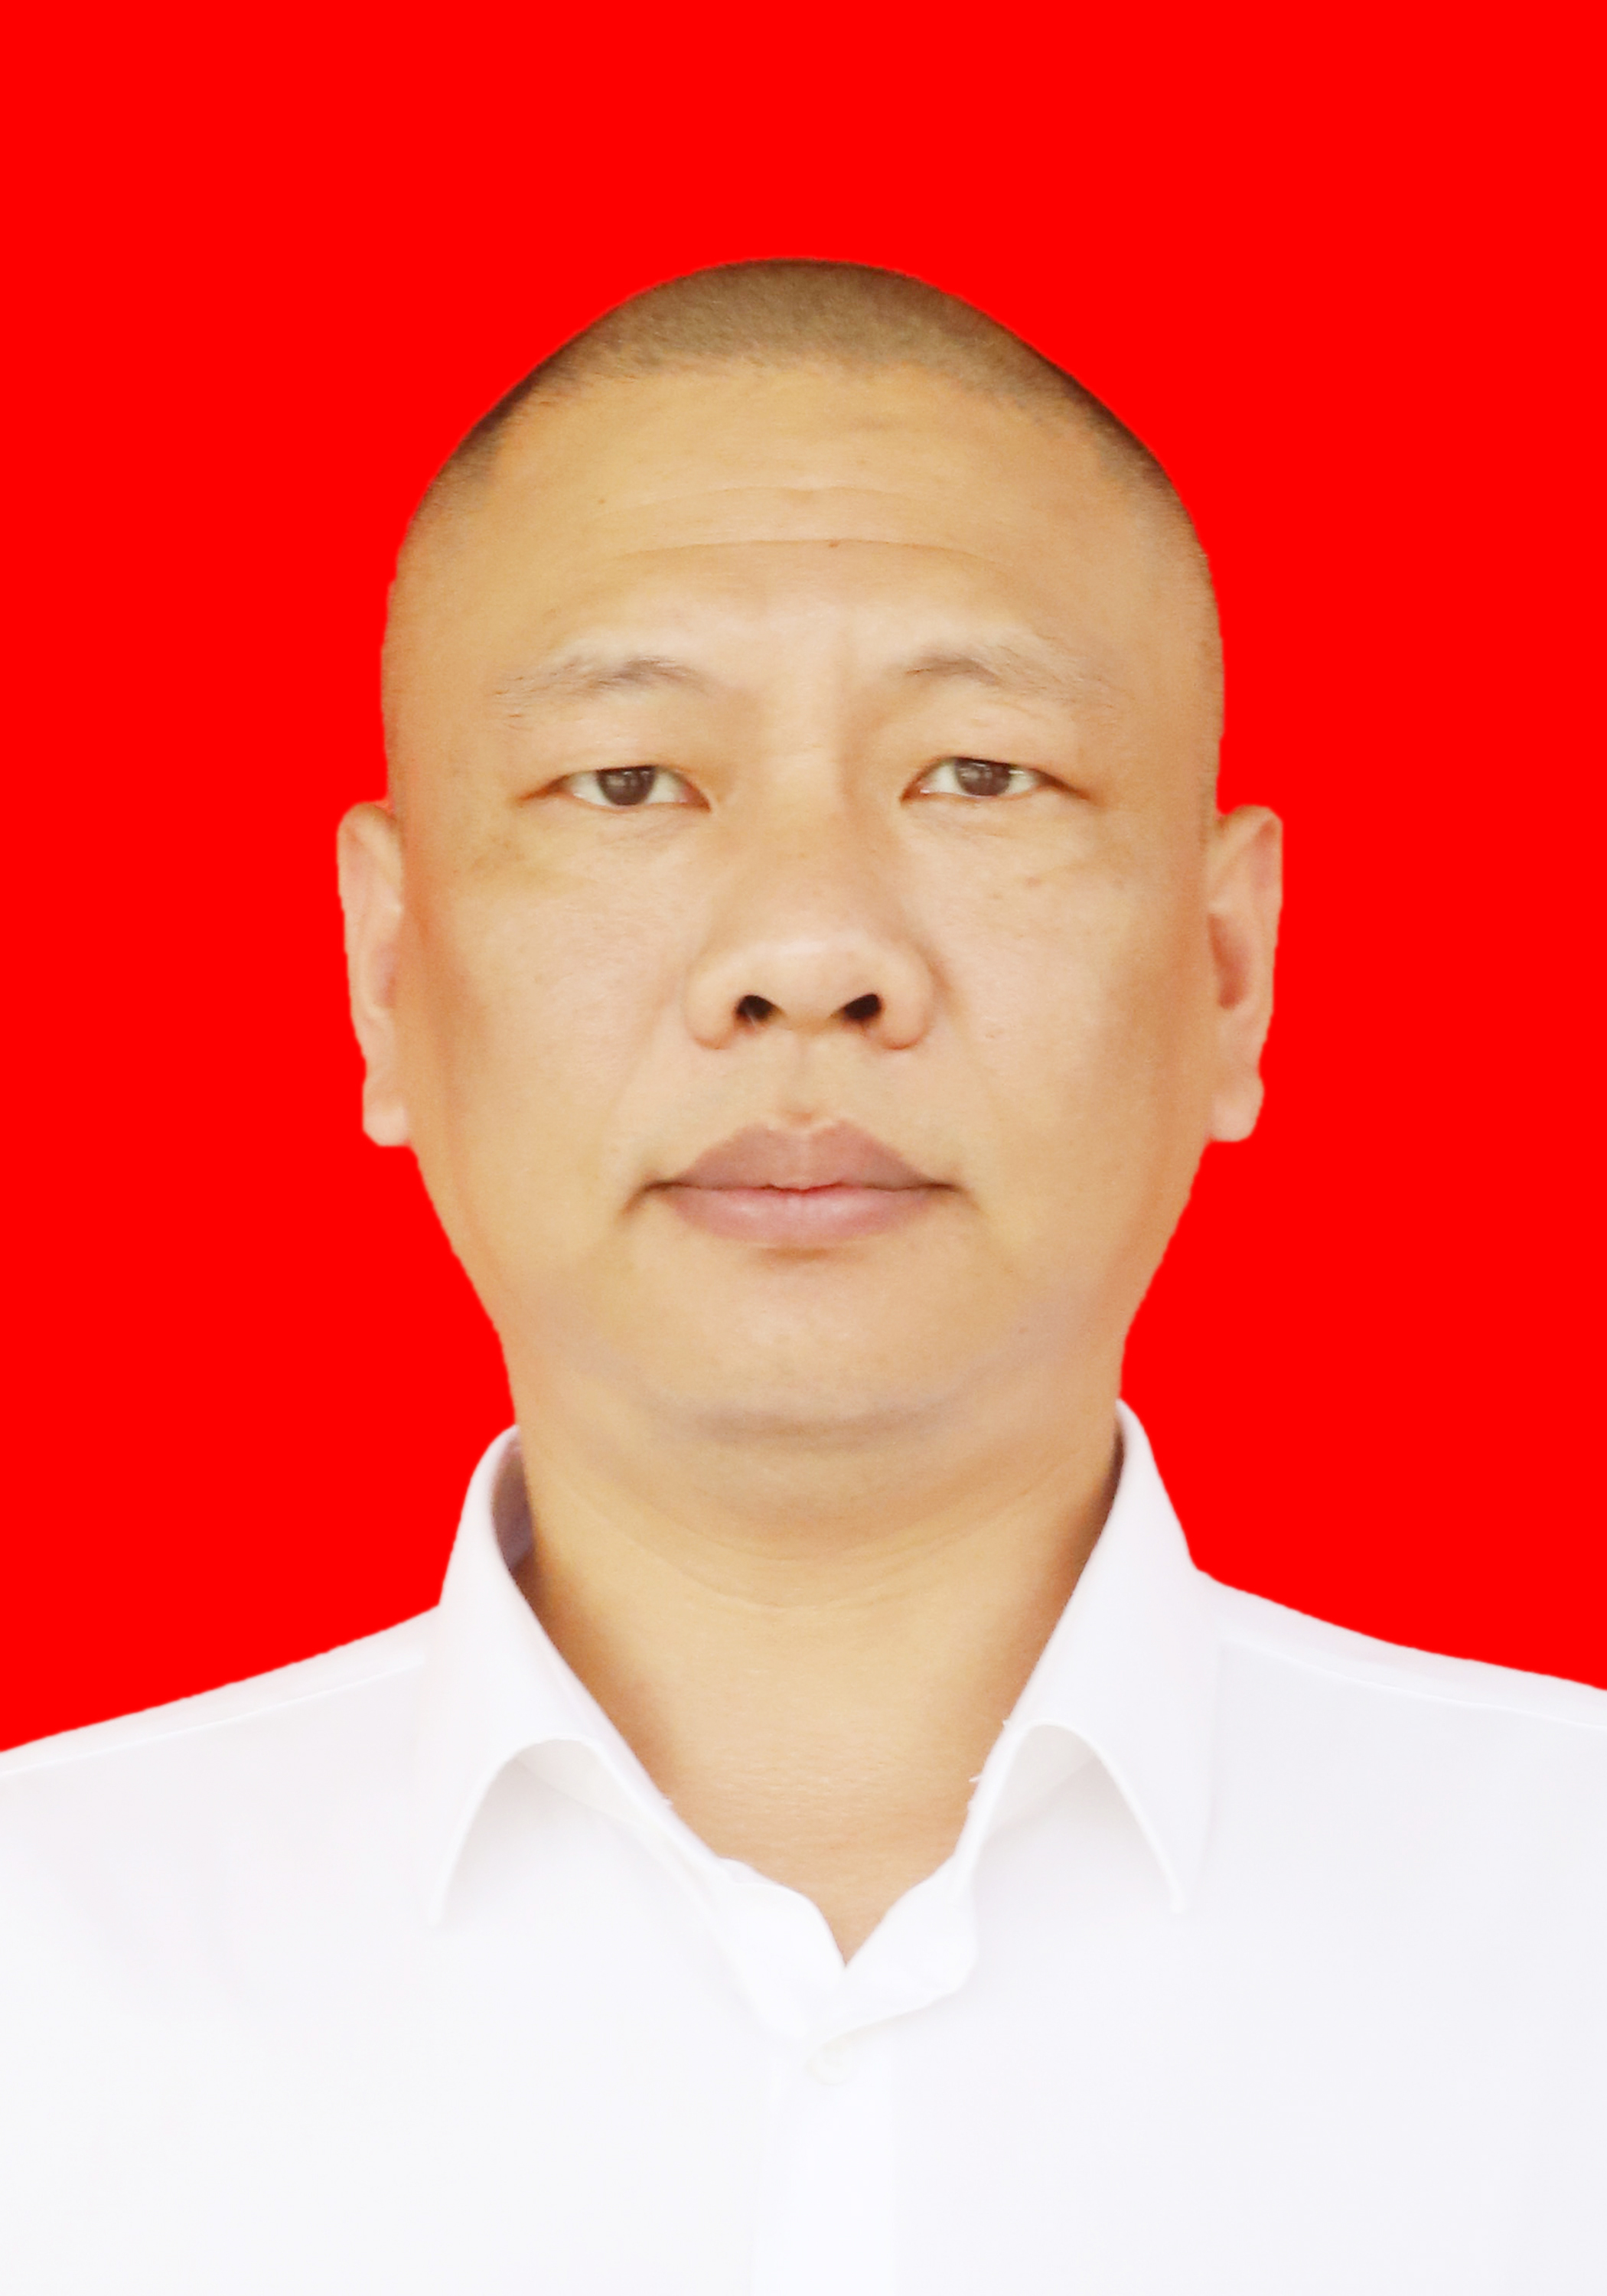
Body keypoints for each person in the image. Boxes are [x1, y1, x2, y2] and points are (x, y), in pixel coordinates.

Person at [1, 260, 1602, 2295]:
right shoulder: (42, 1969)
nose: (810, 952)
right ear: (390, 978)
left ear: (1227, 973)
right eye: (629, 781)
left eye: (980, 774)